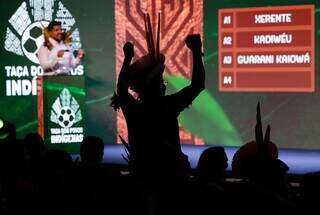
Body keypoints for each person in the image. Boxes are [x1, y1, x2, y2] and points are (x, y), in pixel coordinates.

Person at [112, 15, 205, 181]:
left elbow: (121, 90)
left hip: (141, 175)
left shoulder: (134, 109)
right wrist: (196, 52)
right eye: (160, 81)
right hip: (170, 176)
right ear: (154, 85)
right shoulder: (168, 105)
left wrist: (127, 59)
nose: (164, 84)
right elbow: (198, 85)